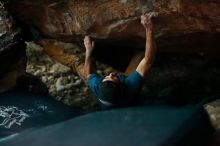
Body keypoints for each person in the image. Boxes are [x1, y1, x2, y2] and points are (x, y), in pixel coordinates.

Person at [84, 13, 157, 109]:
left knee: (80, 64)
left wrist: (88, 51)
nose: (111, 74)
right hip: (130, 102)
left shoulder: (97, 87)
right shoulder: (130, 87)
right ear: (122, 87)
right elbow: (148, 60)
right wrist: (149, 30)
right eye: (114, 78)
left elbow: (87, 75)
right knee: (142, 53)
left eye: (106, 77)